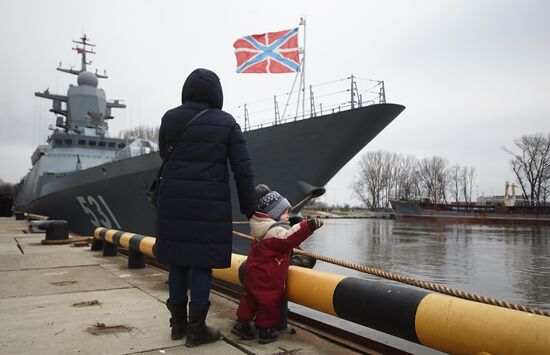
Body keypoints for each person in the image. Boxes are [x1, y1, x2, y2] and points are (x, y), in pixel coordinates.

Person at [154, 68, 257, 347]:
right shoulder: (226, 123)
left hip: (172, 201)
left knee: (177, 261)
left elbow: (165, 153)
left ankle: (177, 326)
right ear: (216, 93)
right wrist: (250, 208)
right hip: (209, 205)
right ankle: (197, 331)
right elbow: (242, 169)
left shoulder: (169, 118)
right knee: (201, 265)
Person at [232, 184, 323, 344]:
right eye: (285, 213)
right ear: (273, 215)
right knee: (269, 302)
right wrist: (308, 226)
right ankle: (265, 330)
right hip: (268, 278)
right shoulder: (275, 232)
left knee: (249, 299)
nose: (288, 216)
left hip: (253, 274)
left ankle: (242, 325)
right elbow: (290, 238)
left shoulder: (260, 230)